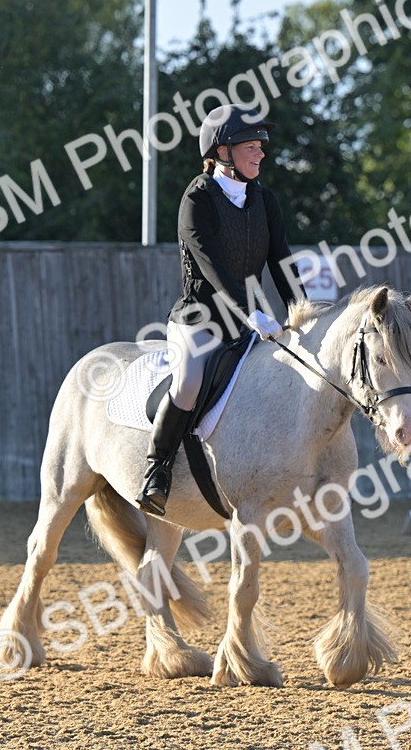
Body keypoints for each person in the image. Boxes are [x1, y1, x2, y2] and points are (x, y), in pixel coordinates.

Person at [136, 103, 307, 516]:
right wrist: (251, 313)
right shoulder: (197, 199)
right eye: (251, 146)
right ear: (223, 152)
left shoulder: (265, 200)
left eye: (261, 146)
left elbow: (281, 260)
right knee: (188, 384)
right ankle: (156, 471)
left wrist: (302, 310)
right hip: (198, 320)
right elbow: (211, 268)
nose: (261, 153)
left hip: (248, 323)